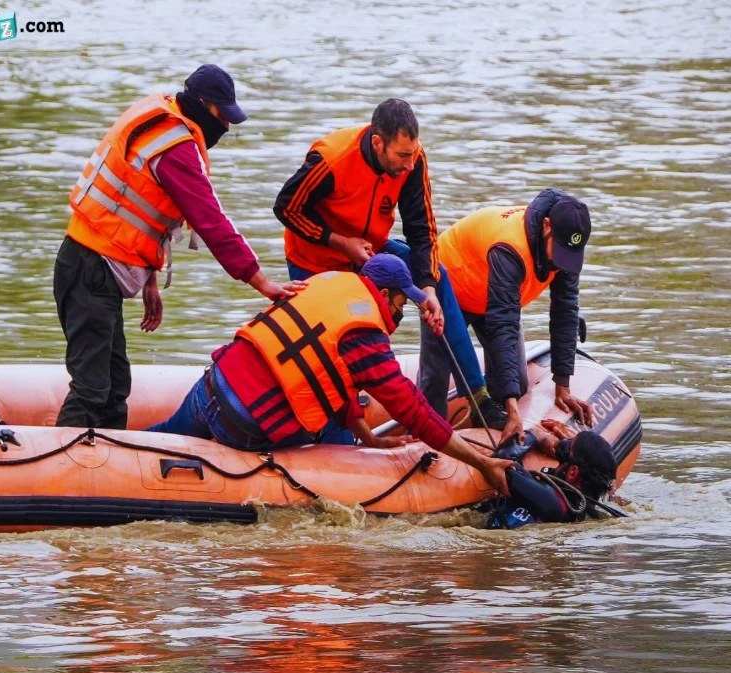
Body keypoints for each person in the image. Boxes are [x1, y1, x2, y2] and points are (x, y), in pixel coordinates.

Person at [55, 64, 304, 429]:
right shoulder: (174, 149)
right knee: (92, 390)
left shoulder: (165, 115)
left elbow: (138, 207)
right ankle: (62, 473)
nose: (227, 127)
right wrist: (261, 282)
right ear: (204, 106)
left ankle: (103, 472)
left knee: (114, 389)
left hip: (99, 266)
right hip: (90, 269)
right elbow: (211, 220)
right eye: (224, 116)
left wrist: (149, 279)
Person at [148, 254, 514, 496]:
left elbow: (327, 371)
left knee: (154, 441)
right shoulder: (365, 333)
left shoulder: (327, 283)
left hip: (211, 388)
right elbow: (411, 410)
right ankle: (339, 472)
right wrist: (481, 462)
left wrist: (368, 437)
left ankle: (95, 446)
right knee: (323, 422)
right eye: (401, 303)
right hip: (246, 425)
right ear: (383, 294)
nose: (400, 314)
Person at [272, 98, 507, 429]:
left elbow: (421, 229)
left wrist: (426, 289)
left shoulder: (413, 160)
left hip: (370, 249)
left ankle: (479, 396)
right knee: (332, 339)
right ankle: (334, 419)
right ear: (378, 143)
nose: (410, 164)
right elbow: (286, 208)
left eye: (413, 153)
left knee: (437, 277)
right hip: (315, 256)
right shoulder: (331, 160)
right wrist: (340, 242)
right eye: (402, 156)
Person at [421, 188, 597, 445]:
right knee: (436, 375)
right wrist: (512, 410)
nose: (562, 263)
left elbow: (565, 312)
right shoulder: (510, 248)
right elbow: (502, 322)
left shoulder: (566, 250)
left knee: (519, 384)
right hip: (450, 284)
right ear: (547, 226)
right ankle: (428, 441)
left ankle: (483, 430)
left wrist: (563, 386)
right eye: (559, 252)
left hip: (492, 292)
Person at [485, 420, 619, 529]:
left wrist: (535, 435)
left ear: (573, 472)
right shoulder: (582, 509)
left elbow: (502, 461)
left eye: (567, 449)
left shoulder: (552, 502)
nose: (560, 447)